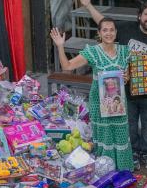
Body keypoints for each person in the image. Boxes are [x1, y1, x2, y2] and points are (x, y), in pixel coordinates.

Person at [77, 0, 147, 171]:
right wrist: (87, 5)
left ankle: (146, 153)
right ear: (139, 15)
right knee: (130, 127)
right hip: (125, 92)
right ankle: (131, 153)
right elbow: (104, 23)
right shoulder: (126, 28)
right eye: (146, 14)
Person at [51, 20, 133, 170]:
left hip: (118, 104)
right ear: (99, 33)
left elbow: (126, 77)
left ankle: (122, 171)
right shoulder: (93, 51)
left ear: (116, 32)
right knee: (104, 136)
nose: (109, 33)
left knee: (121, 135)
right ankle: (104, 171)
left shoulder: (124, 51)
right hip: (99, 103)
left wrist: (126, 78)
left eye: (112, 30)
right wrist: (60, 46)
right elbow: (67, 67)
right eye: (105, 30)